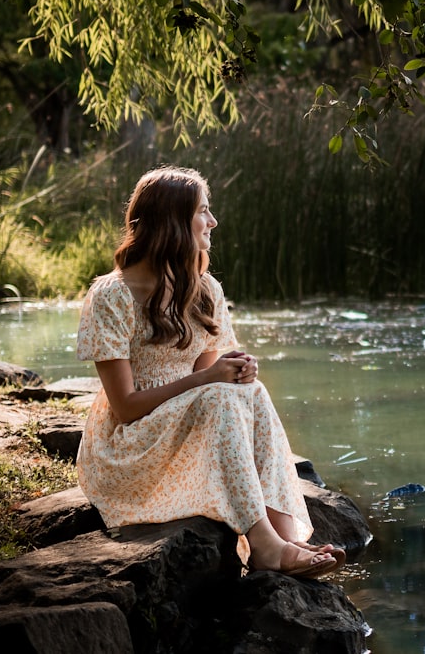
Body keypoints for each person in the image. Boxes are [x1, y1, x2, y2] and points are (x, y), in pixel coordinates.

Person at [76, 166, 343, 579]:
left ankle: (287, 539)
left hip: (182, 426)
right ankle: (266, 546)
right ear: (173, 221)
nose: (213, 221)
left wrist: (234, 371)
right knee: (221, 395)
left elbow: (210, 379)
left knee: (251, 392)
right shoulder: (112, 295)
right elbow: (126, 408)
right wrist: (208, 379)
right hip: (127, 447)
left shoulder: (205, 290)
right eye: (203, 211)